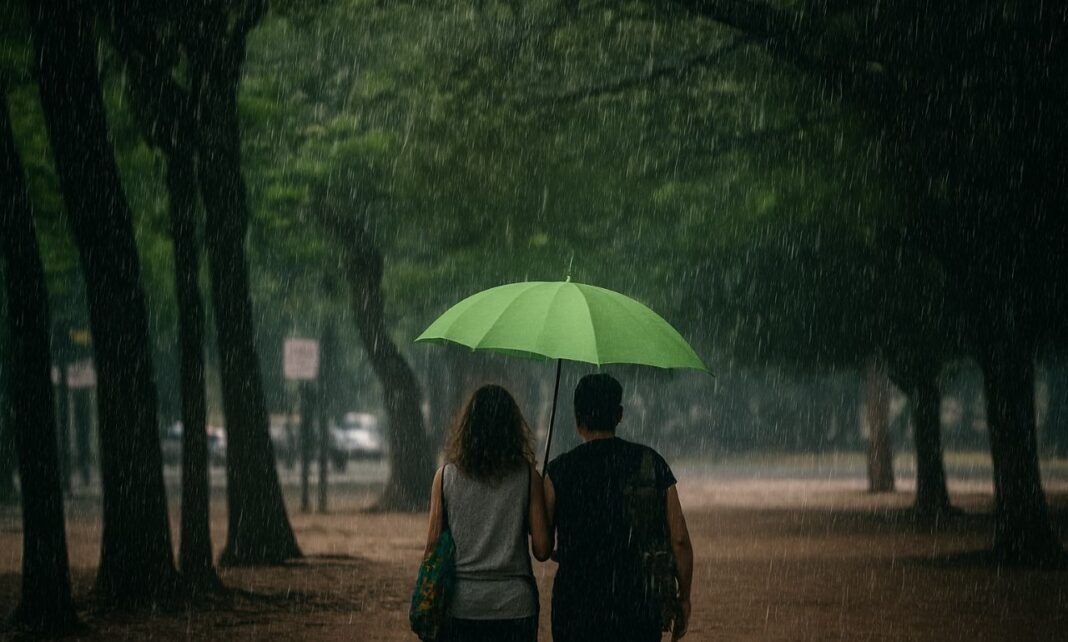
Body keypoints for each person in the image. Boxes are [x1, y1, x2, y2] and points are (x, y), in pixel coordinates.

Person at [545, 373, 694, 642]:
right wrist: (683, 598)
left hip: (576, 605)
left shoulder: (559, 470)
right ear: (619, 415)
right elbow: (680, 539)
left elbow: (543, 544)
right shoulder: (650, 462)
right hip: (637, 602)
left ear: (577, 419)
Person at [423, 384, 552, 642]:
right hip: (515, 606)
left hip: (462, 605)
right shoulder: (528, 477)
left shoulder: (445, 477)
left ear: (467, 427)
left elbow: (432, 549)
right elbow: (542, 549)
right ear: (513, 428)